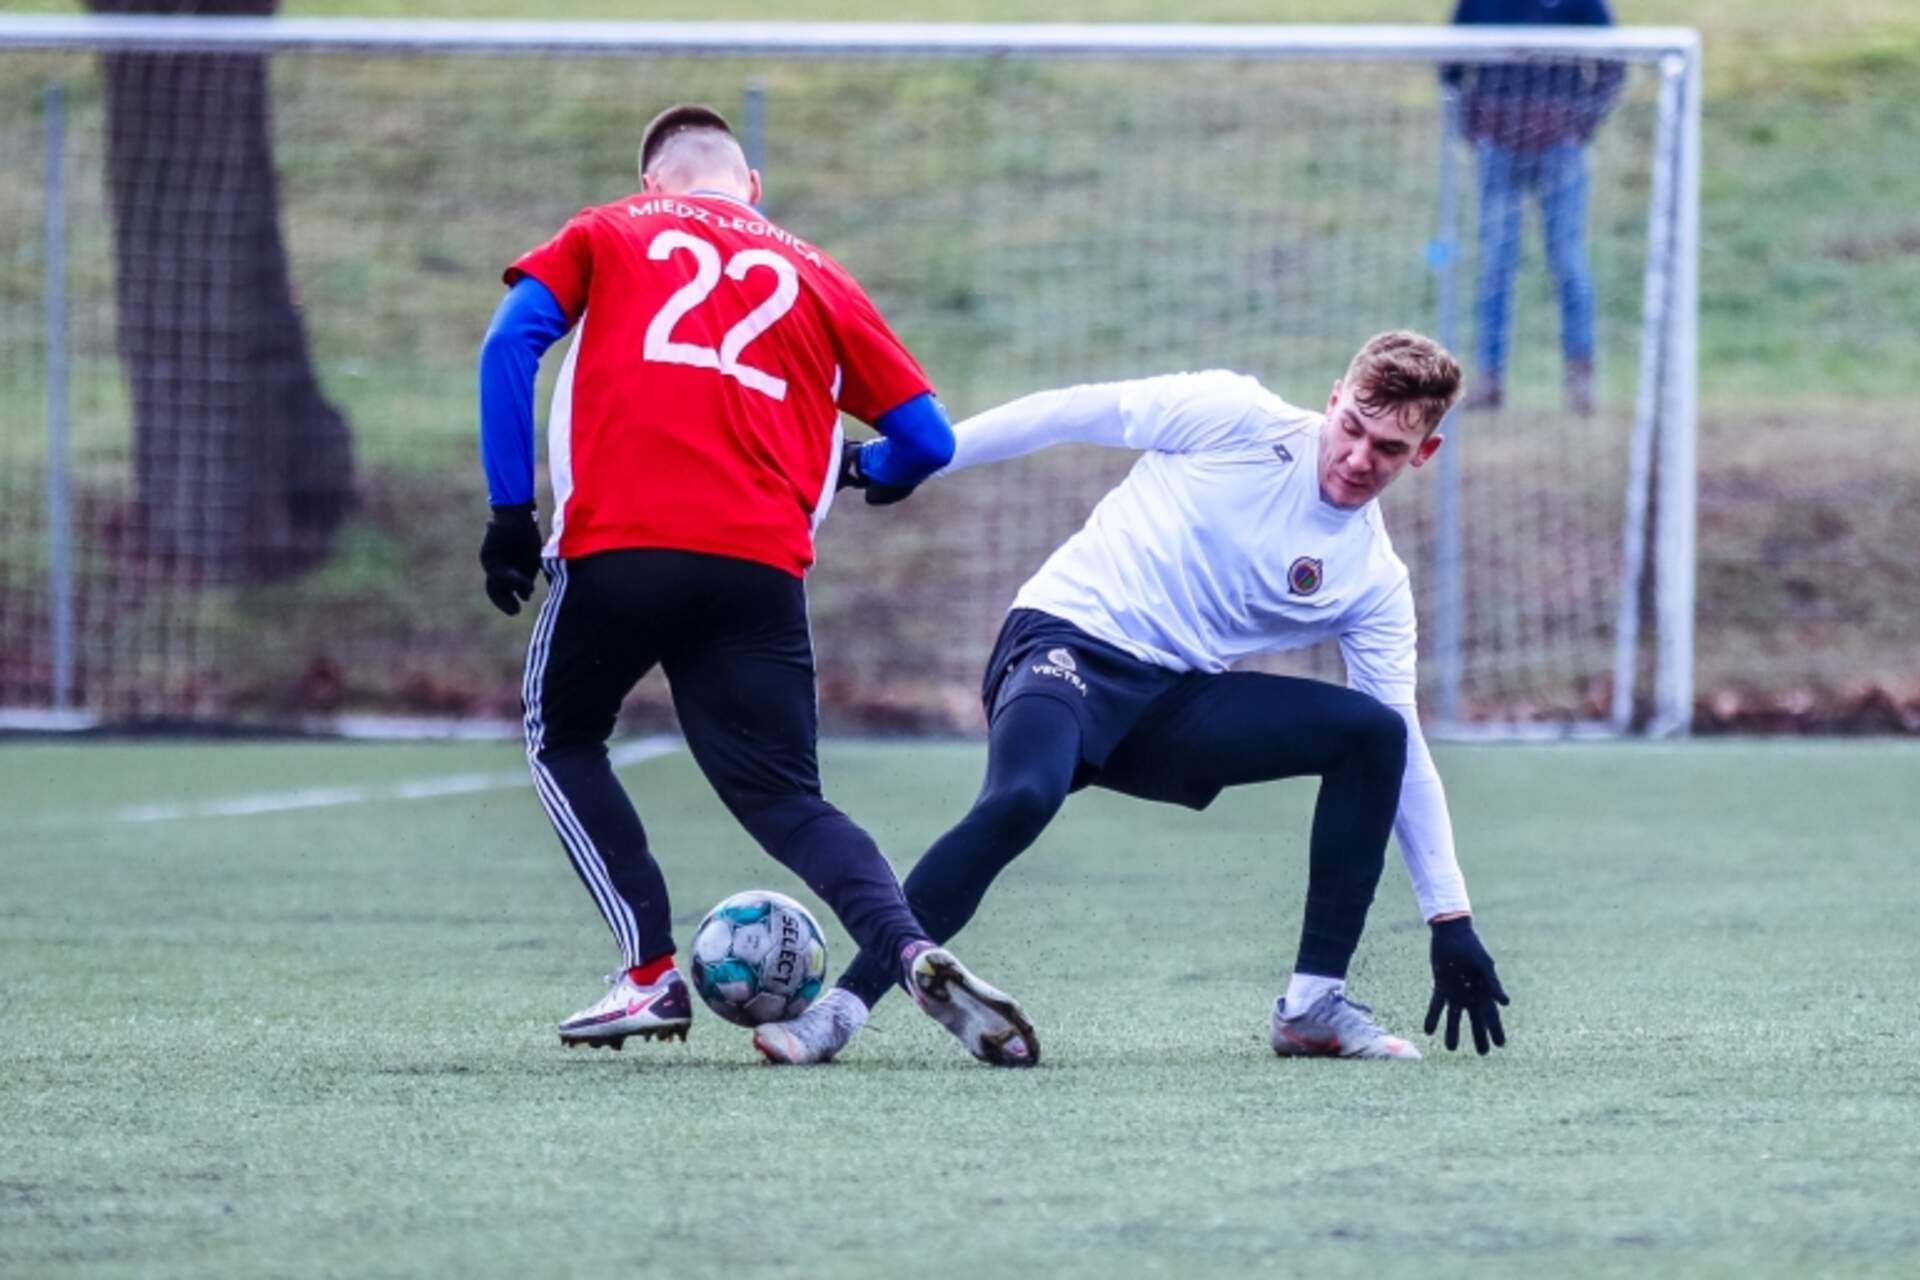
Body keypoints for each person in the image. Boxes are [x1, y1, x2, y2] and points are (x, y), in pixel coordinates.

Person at [753, 332, 1510, 1066]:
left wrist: (1450, 918)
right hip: (1067, 641)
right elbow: (1066, 412)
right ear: (1334, 399)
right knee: (1022, 797)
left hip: (1172, 703)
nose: (1359, 457)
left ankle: (1313, 1005)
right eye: (1352, 428)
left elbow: (1406, 754)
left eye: (1389, 448)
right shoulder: (1234, 415)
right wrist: (903, 461)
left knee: (1374, 733)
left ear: (1425, 453)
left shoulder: (1373, 580)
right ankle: (838, 1013)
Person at [476, 104, 1037, 1067]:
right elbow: (929, 441)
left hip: (622, 546)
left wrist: (508, 513)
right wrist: (868, 471)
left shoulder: (609, 229)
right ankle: (909, 950)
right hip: (759, 569)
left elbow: (508, 346)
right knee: (789, 801)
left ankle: (648, 972)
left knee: (562, 735)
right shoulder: (817, 271)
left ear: (651, 183)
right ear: (753, 189)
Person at [1445, 0, 1624, 415]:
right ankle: (1489, 378)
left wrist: (1581, 124)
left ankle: (1580, 379)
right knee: (1495, 262)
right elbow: (1450, 67)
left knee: (1568, 261)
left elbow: (1613, 66)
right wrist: (1471, 127)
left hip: (1561, 149)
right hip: (1497, 148)